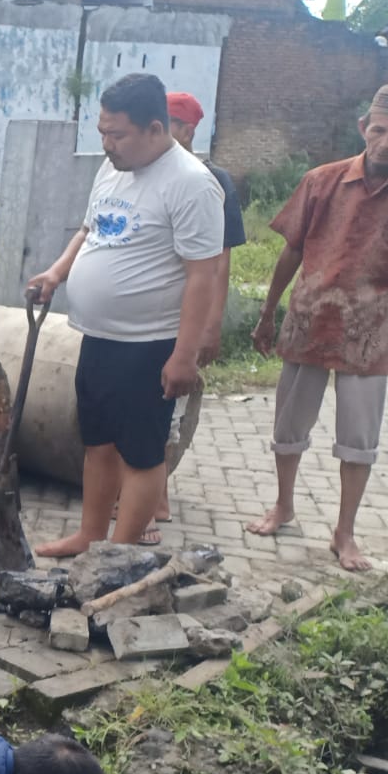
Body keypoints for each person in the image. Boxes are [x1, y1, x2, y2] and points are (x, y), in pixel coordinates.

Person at [244, 85, 388, 572]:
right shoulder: (321, 180)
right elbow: (291, 249)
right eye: (378, 130)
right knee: (289, 424)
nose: (385, 141)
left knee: (359, 437)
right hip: (309, 318)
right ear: (363, 128)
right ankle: (284, 505)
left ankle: (345, 532)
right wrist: (267, 313)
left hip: (371, 329)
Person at [26, 73, 225, 558]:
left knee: (141, 452)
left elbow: (204, 275)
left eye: (117, 134)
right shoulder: (112, 169)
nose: (107, 143)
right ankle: (90, 535)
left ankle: (117, 555)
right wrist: (57, 273)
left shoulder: (193, 184)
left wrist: (185, 356)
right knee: (98, 443)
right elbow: (90, 231)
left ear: (155, 129)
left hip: (149, 345)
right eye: (103, 132)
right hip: (98, 337)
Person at [127, 91, 247, 543]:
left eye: (171, 123)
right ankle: (146, 493)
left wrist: (211, 324)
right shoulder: (139, 173)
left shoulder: (211, 181)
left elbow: (220, 259)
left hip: (183, 315)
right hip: (143, 316)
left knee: (168, 404)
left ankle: (156, 499)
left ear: (187, 130)